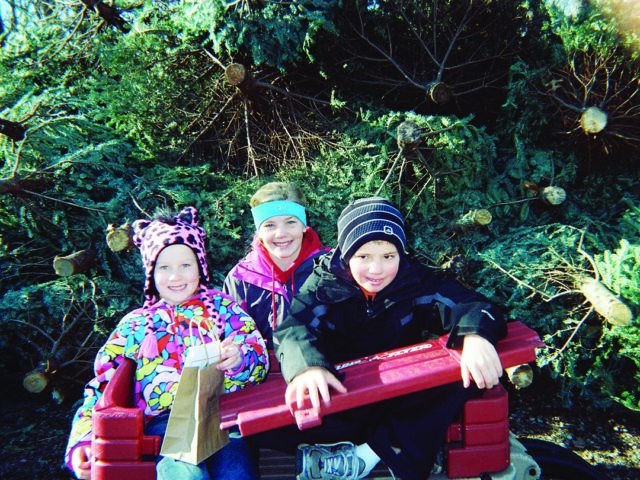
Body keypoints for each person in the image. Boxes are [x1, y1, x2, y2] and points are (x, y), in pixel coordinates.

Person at [272, 197, 508, 480]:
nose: (376, 270)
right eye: (364, 257)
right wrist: (307, 368)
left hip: (399, 394)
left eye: (388, 256)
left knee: (463, 376)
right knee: (266, 429)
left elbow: (471, 304)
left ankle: (371, 456)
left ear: (401, 254)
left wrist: (476, 336)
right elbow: (294, 328)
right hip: (342, 393)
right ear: (347, 254)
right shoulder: (324, 284)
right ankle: (346, 451)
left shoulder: (414, 281)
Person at [65, 207, 268, 480]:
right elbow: (102, 385)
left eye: (186, 265)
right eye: (164, 267)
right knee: (182, 473)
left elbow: (253, 345)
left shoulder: (222, 309)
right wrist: (84, 438)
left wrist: (240, 357)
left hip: (224, 415)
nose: (175, 276)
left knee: (237, 472)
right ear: (151, 273)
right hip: (167, 424)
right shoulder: (136, 325)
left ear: (201, 267)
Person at [223, 182, 329, 349]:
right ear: (259, 231)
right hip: (264, 373)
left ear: (303, 226)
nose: (281, 234)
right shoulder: (241, 278)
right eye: (270, 225)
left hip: (324, 369)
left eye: (290, 222)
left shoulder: (329, 269)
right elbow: (233, 338)